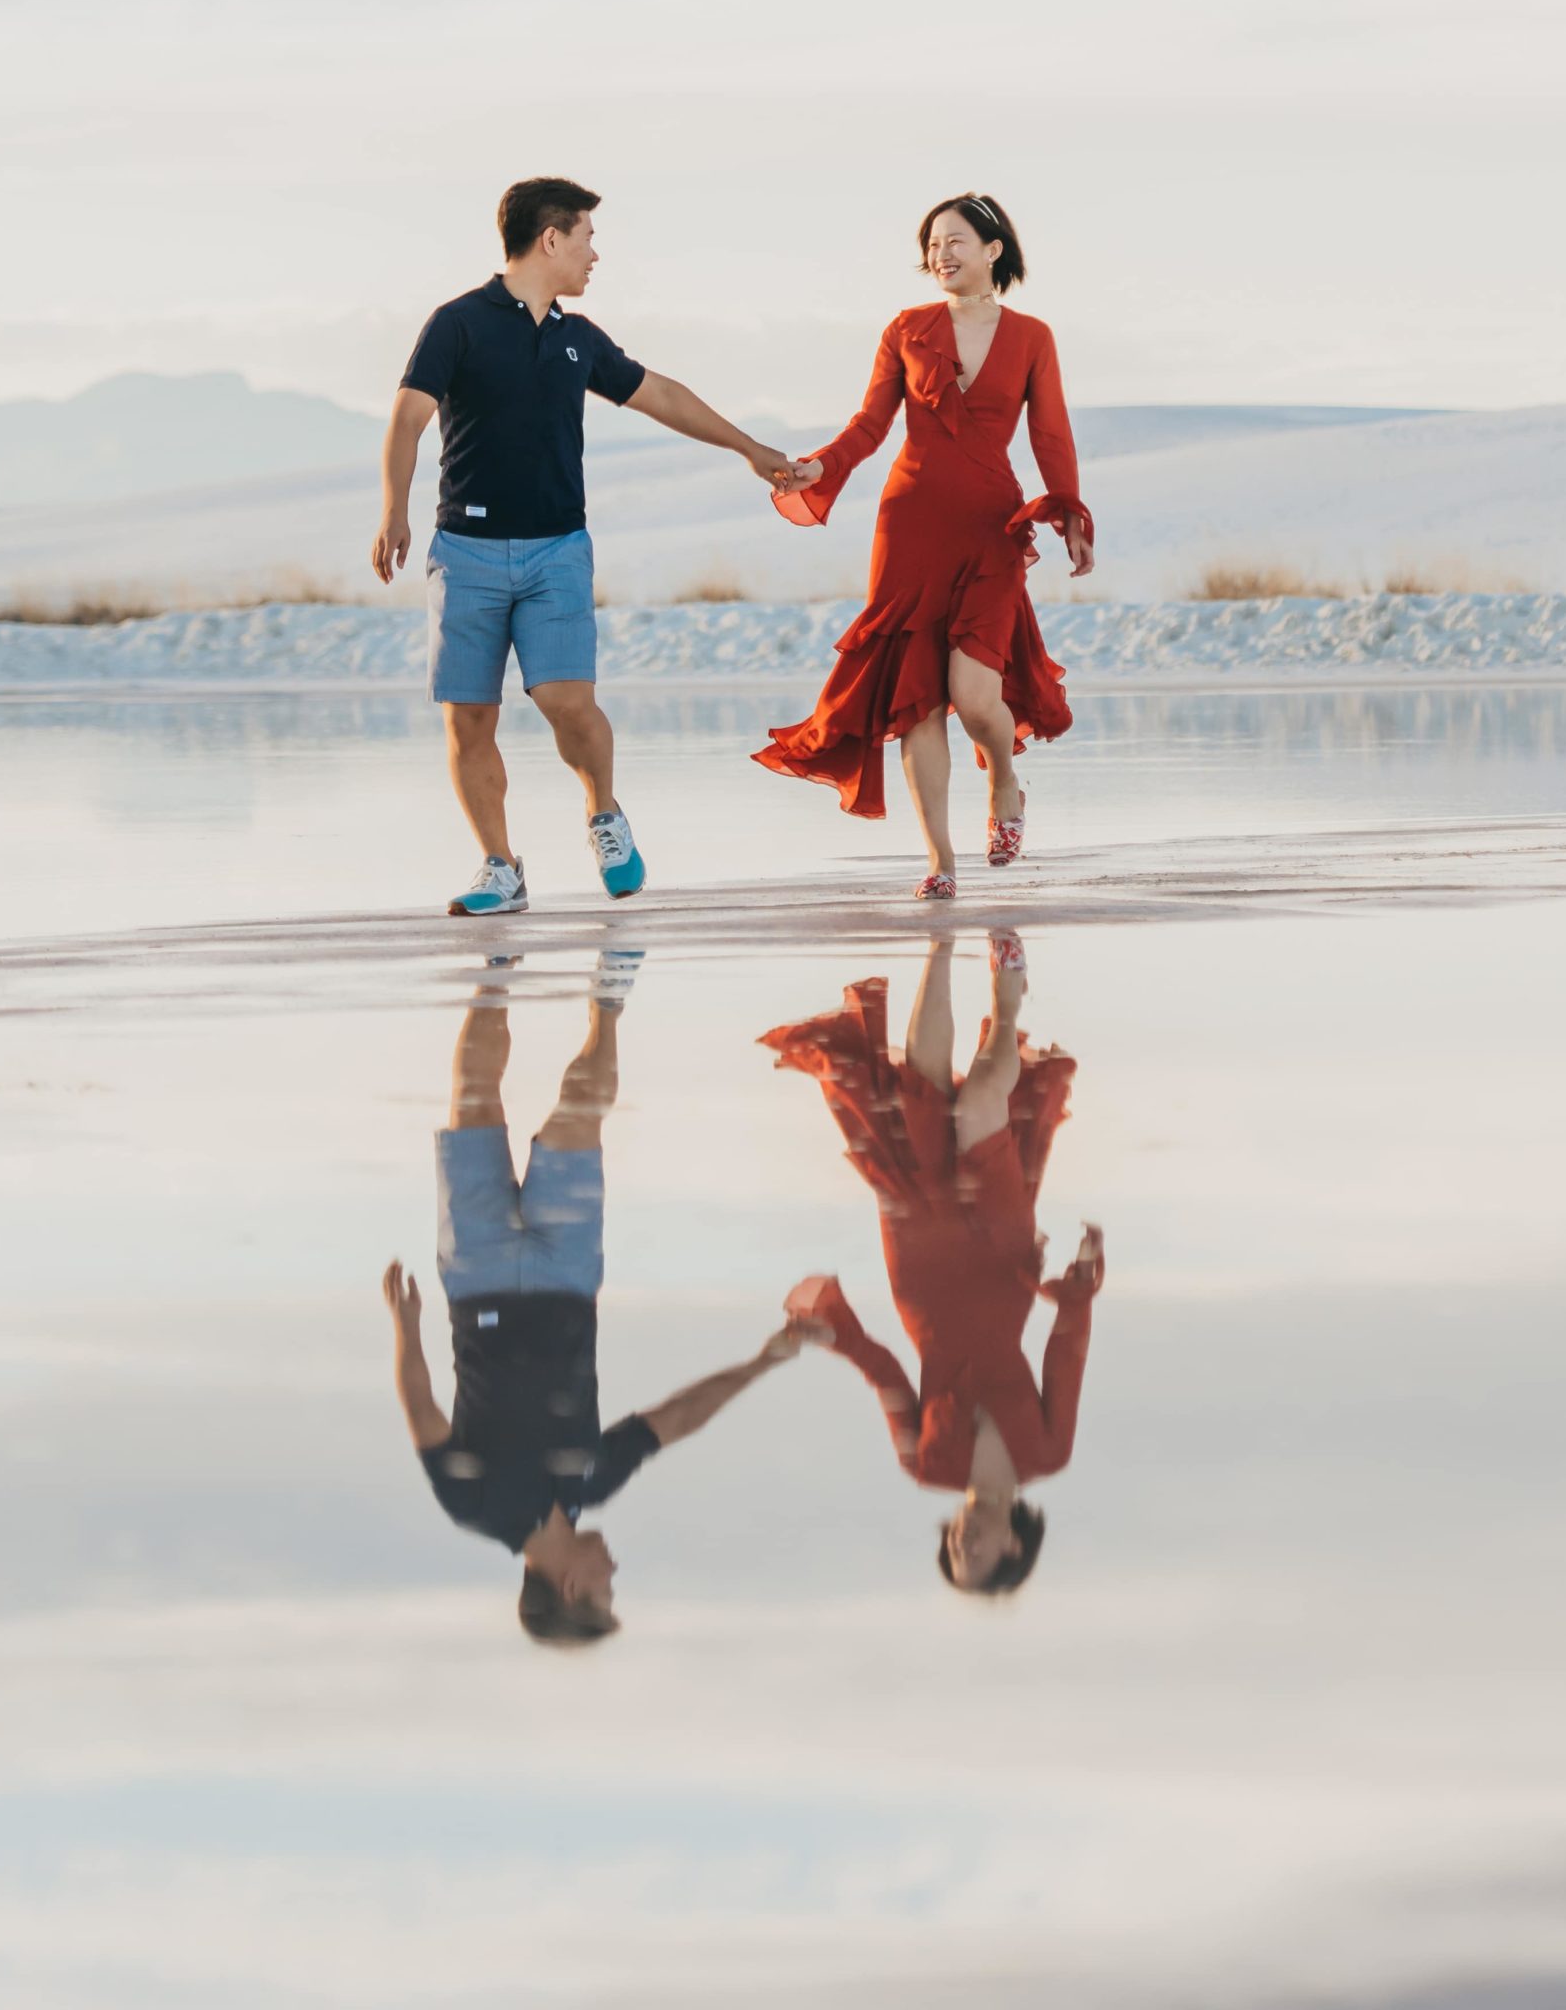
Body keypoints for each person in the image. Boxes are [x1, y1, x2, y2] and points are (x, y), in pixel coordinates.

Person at [373, 177, 800, 915]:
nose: (594, 254)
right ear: (550, 239)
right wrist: (394, 510)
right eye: (586, 238)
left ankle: (603, 812)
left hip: (556, 552)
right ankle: (499, 867)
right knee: (467, 716)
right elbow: (408, 416)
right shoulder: (458, 324)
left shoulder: (578, 339)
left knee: (568, 702)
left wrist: (746, 447)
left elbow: (658, 393)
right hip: (466, 549)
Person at [382, 967, 804, 1643]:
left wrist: (405, 1329)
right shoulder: (590, 1483)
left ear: (570, 1587)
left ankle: (495, 971)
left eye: (606, 1590)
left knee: (472, 1101)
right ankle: (605, 1005)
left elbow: (422, 1416)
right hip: (568, 1279)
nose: (613, 1573)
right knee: (580, 1108)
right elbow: (675, 1419)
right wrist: (759, 1364)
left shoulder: (477, 1507)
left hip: (476, 1277)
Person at [753, 192, 1094, 898]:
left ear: (993, 249)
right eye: (932, 244)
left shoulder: (1031, 336)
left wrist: (1066, 508)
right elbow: (870, 423)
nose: (940, 254)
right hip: (908, 526)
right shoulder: (907, 328)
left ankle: (1004, 779)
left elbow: (1050, 434)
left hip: (990, 527)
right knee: (916, 699)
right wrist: (823, 465)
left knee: (974, 697)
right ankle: (940, 859)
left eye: (955, 241)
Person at [762, 933, 1104, 1600]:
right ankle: (1005, 1014)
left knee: (914, 1097)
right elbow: (1066, 1359)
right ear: (1010, 1546)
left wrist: (828, 1332)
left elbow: (885, 1376)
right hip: (1001, 1272)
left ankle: (939, 941)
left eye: (950, 1550)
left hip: (919, 1272)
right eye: (972, 1555)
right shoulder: (1047, 1453)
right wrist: (1080, 1284)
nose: (959, 1541)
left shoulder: (926, 1465)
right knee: (980, 1106)